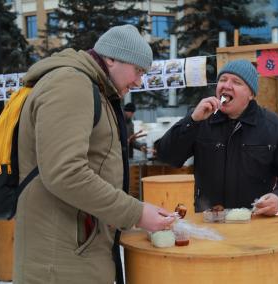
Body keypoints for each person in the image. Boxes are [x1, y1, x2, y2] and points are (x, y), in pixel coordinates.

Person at [14, 25, 175, 284]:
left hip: (76, 251)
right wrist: (136, 212)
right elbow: (65, 172)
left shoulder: (94, 89)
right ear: (111, 58)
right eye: (138, 70)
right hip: (60, 261)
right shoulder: (71, 84)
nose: (138, 82)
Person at [155, 59, 278, 215]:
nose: (226, 85)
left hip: (255, 222)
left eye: (236, 82)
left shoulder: (272, 125)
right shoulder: (202, 119)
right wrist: (191, 121)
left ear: (251, 94)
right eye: (223, 80)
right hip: (210, 222)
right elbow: (167, 156)